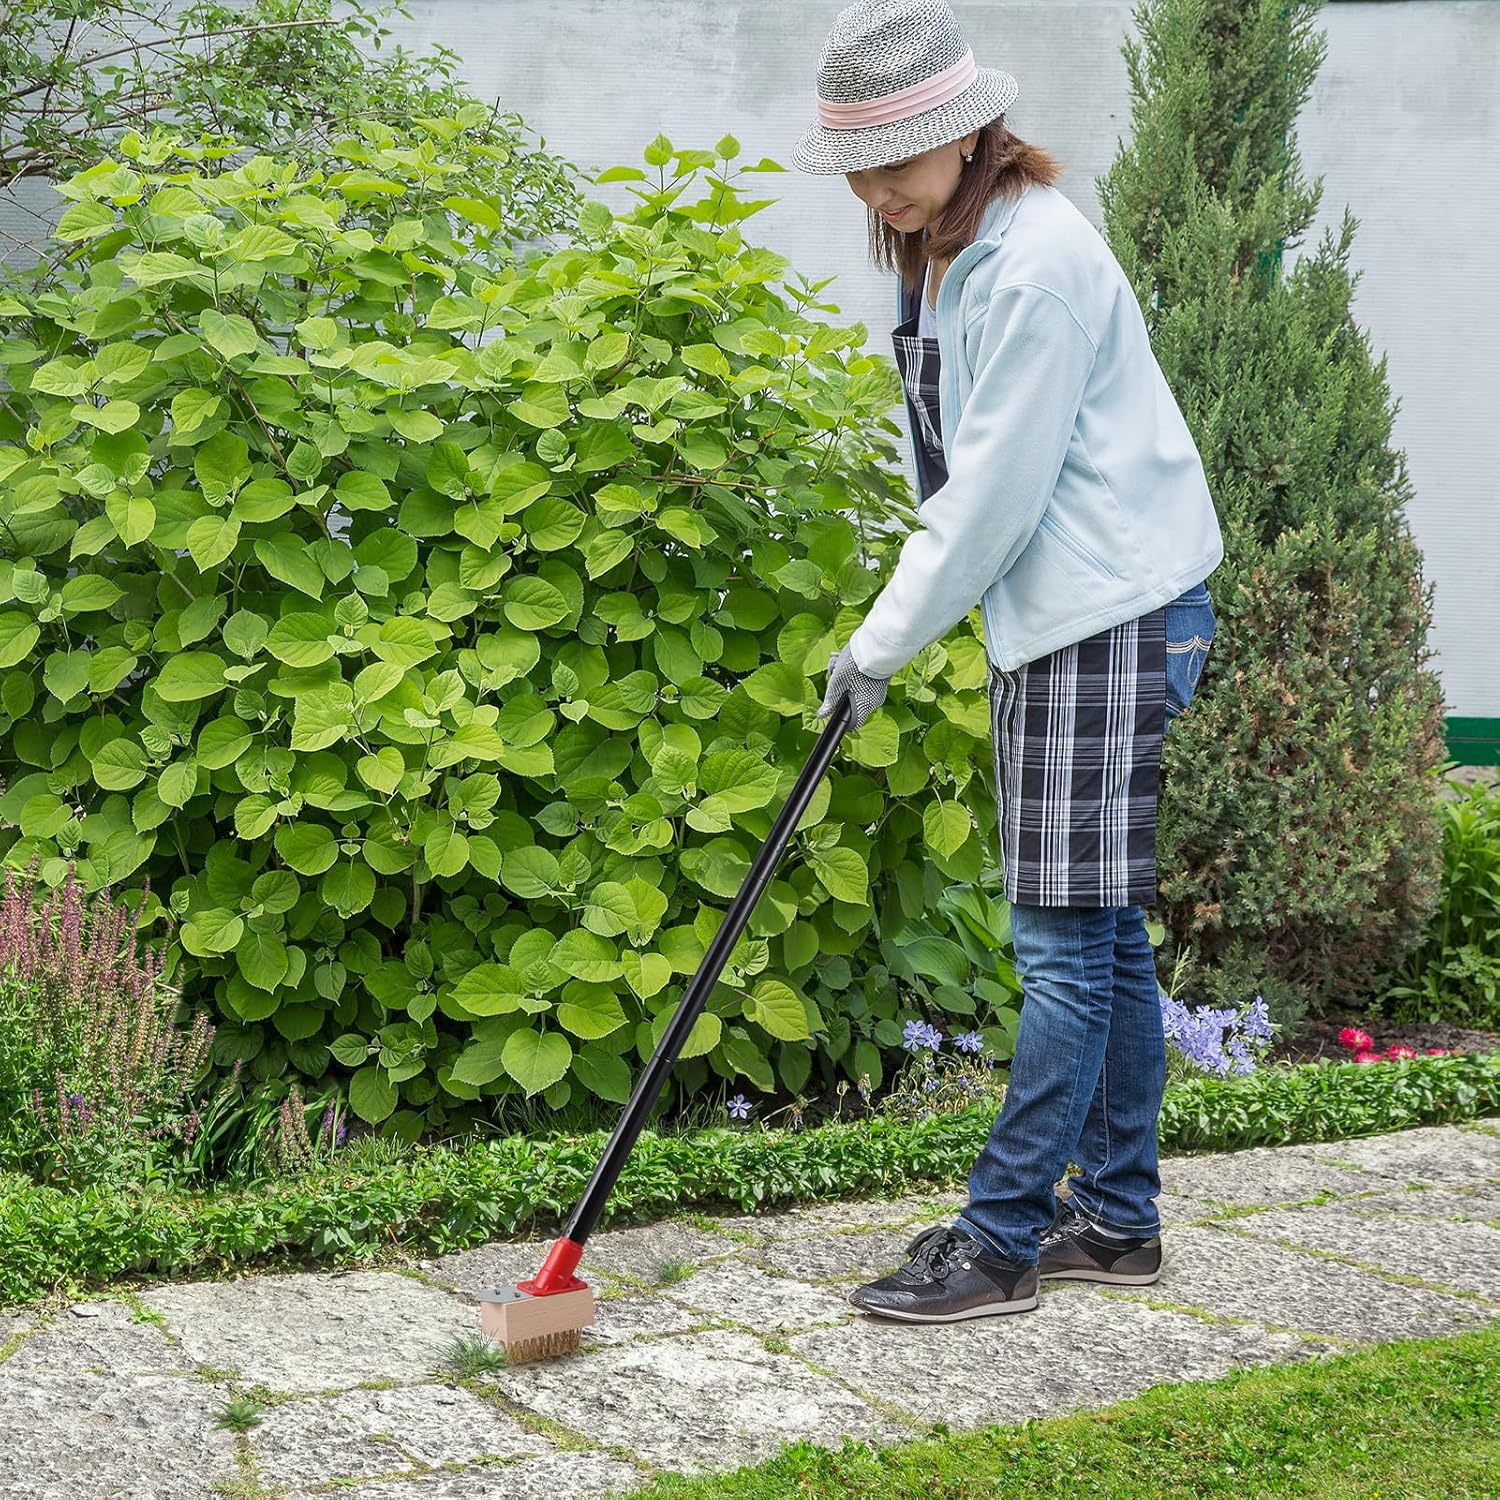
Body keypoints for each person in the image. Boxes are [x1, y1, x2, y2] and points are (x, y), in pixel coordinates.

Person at [792, 0, 1224, 1322]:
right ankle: (1119, 1223)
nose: (876, 188)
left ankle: (1000, 1241)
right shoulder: (955, 245)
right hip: (1084, 611)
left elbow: (988, 498)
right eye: (861, 165)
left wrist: (877, 642)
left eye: (899, 159)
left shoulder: (1031, 266)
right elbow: (956, 469)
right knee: (1101, 932)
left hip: (1105, 618)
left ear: (973, 132)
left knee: (1059, 946)